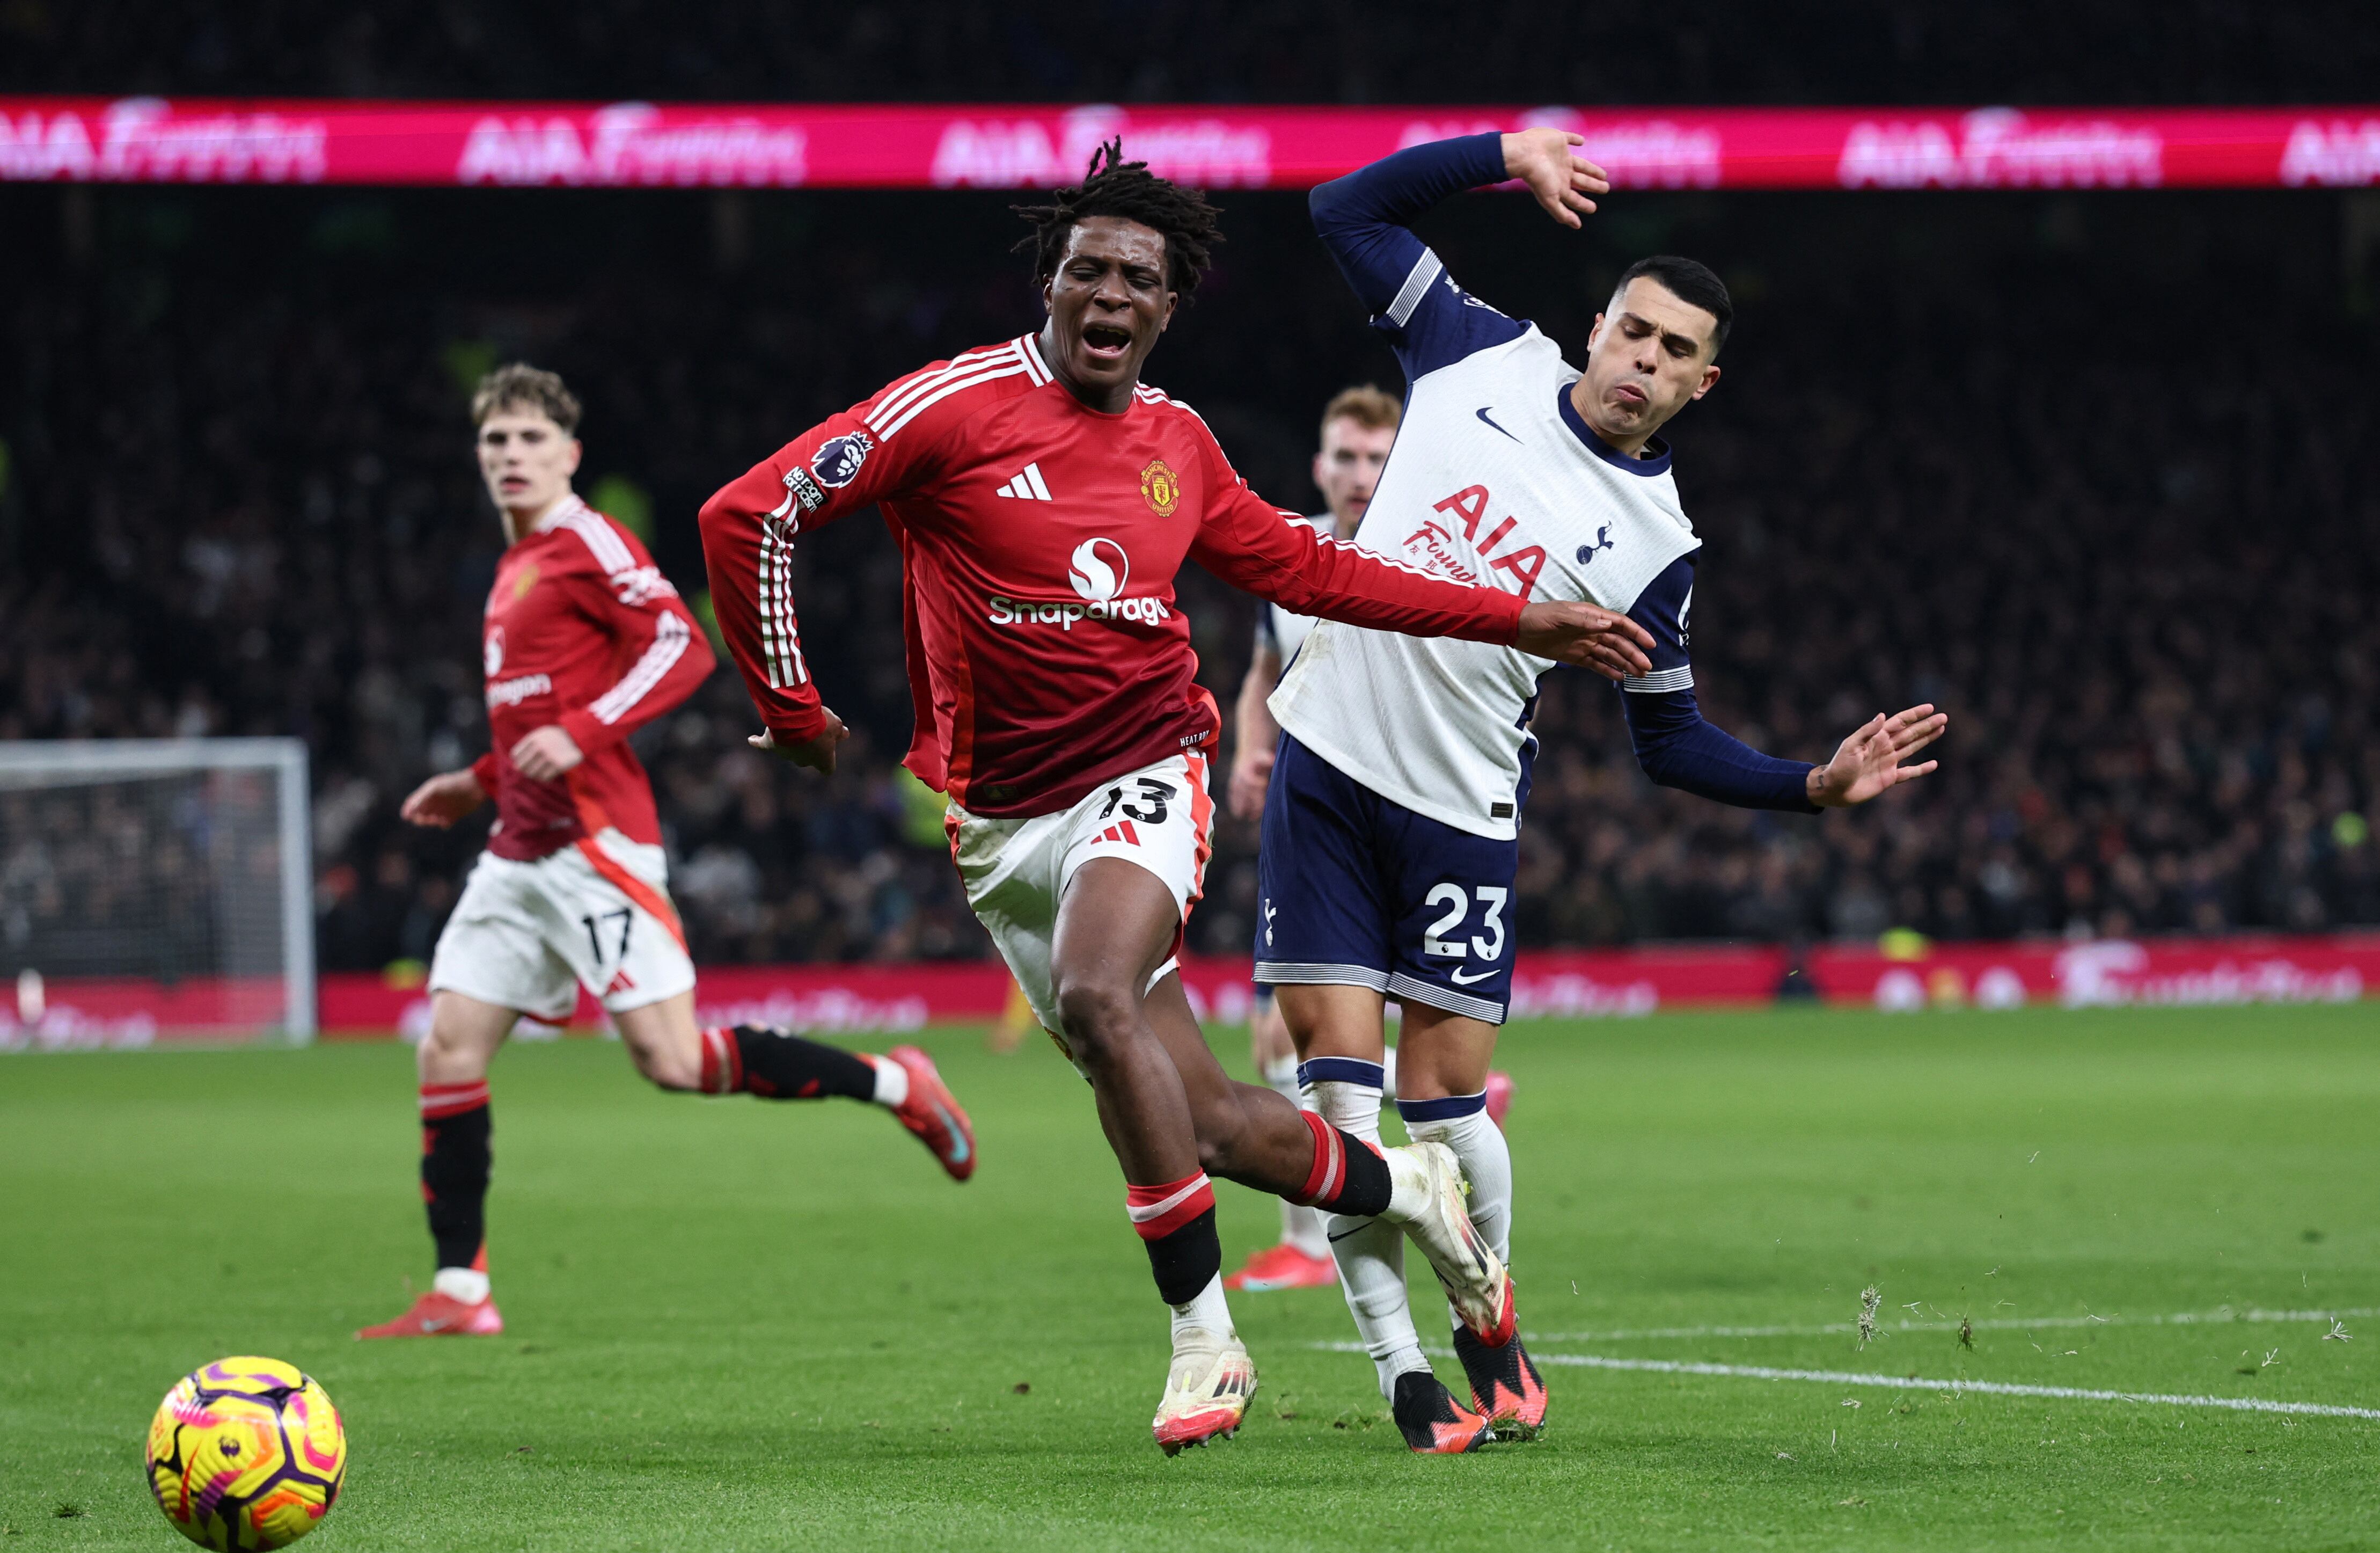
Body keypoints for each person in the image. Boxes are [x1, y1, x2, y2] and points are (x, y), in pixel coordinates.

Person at [699, 143, 1659, 1454]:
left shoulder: (1178, 446)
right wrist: (791, 704)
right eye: (1086, 268)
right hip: (997, 824)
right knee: (1205, 1121)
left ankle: (1205, 1339)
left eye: (1136, 279)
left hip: (1144, 771)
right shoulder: (951, 409)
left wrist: (1521, 621)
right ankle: (1416, 1191)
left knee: (1102, 996)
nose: (1108, 294)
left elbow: (1322, 572)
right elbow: (747, 515)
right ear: (1053, 283)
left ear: (1165, 306)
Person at [1261, 129, 1948, 1449]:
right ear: (1596, 326)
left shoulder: (1656, 547)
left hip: (1460, 816)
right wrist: (1501, 155)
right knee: (1340, 1107)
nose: (1642, 361)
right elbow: (1339, 205)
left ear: (1704, 383)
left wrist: (1813, 782)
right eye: (1632, 331)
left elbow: (1669, 741)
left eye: (1674, 352)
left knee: (1445, 1115)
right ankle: (1404, 1373)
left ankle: (1488, 1317)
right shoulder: (1474, 352)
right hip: (1326, 775)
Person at [358, 365, 976, 1341]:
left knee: (675, 1062)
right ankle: (460, 1290)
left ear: (569, 454)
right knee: (449, 1047)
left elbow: (683, 645)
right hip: (518, 849)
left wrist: (592, 728)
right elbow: (534, 712)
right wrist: (479, 779)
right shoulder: (513, 567)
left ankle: (899, 1082)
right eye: (495, 442)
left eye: (529, 440)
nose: (510, 457)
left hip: (597, 846)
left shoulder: (586, 539)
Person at [1218, 384, 1514, 1296]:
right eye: (1344, 457)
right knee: (1281, 1033)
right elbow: (1267, 665)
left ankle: (1326, 1233)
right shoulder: (1295, 554)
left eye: (1376, 458)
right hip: (1318, 825)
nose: (1358, 475)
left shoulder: (1427, 556)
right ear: (1318, 465)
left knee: (1296, 1038)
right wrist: (1248, 750)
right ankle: (1310, 1240)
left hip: (1416, 824)